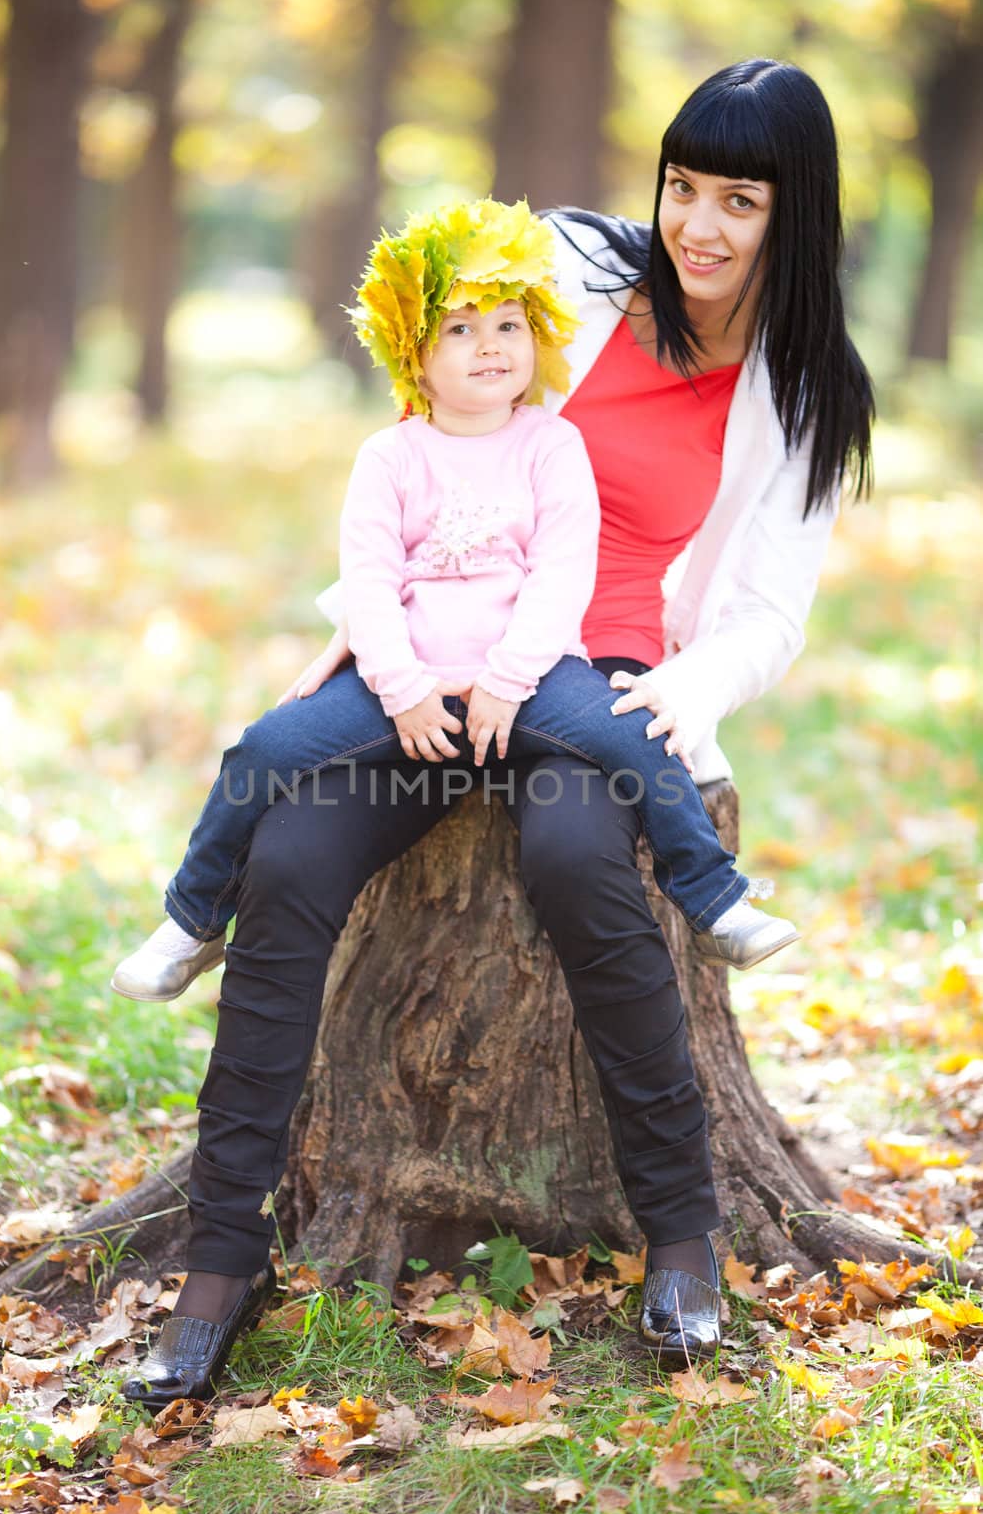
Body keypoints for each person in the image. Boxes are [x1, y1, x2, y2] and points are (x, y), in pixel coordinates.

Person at [121, 59, 874, 1406]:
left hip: (605, 679)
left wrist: (683, 697)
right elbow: (430, 453)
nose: (697, 224)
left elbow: (765, 612)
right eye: (683, 186)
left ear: (793, 213)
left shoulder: (804, 390)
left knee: (583, 868)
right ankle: (220, 1263)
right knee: (286, 868)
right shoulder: (570, 278)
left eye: (738, 200)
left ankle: (684, 1235)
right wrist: (370, 639)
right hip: (443, 664)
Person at [112, 201, 795, 1016]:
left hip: (535, 677)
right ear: (413, 355)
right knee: (262, 749)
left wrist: (511, 678)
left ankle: (716, 902)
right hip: (406, 680)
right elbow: (367, 579)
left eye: (509, 327)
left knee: (639, 740)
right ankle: (190, 921)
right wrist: (398, 688)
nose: (491, 347)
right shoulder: (389, 457)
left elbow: (560, 573)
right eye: (461, 331)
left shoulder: (551, 445)